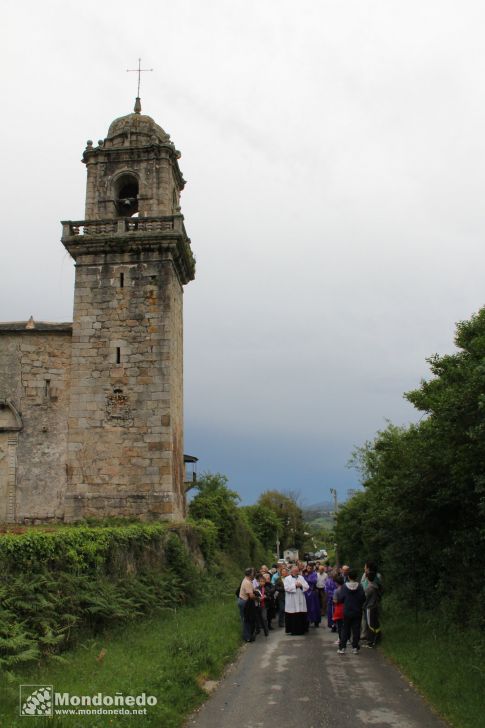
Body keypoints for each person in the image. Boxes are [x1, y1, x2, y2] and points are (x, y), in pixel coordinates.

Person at [336, 568, 365, 654]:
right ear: (356, 577)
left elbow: (340, 599)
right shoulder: (360, 586)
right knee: (356, 629)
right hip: (357, 611)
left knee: (345, 629)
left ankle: (342, 648)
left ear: (348, 577)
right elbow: (363, 598)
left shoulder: (345, 586)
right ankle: (355, 647)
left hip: (347, 611)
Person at [284, 565, 309, 635]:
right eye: (295, 571)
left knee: (300, 614)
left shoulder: (301, 577)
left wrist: (301, 585)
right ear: (291, 571)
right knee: (293, 614)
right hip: (292, 599)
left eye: (297, 571)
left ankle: (302, 630)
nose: (296, 572)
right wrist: (295, 585)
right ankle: (292, 631)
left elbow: (307, 586)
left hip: (300, 598)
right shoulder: (287, 578)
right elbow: (286, 588)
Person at [363, 571, 381, 647]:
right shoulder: (375, 586)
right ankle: (377, 637)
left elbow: (365, 598)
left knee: (370, 625)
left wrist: (363, 606)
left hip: (369, 608)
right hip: (375, 606)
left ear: (367, 578)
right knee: (375, 623)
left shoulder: (369, 588)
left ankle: (371, 642)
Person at [238, 568, 256, 642]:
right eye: (253, 573)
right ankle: (247, 637)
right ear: (251, 574)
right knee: (246, 619)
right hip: (245, 602)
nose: (254, 574)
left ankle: (247, 635)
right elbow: (251, 596)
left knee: (246, 619)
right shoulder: (247, 582)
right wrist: (258, 597)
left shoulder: (246, 580)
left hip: (243, 601)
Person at [304, 563, 321, 628]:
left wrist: (307, 578)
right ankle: (307, 621)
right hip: (306, 593)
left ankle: (316, 621)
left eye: (310, 568)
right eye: (308, 568)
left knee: (315, 608)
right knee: (307, 608)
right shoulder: (304, 574)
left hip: (312, 592)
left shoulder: (314, 574)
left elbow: (314, 581)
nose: (309, 569)